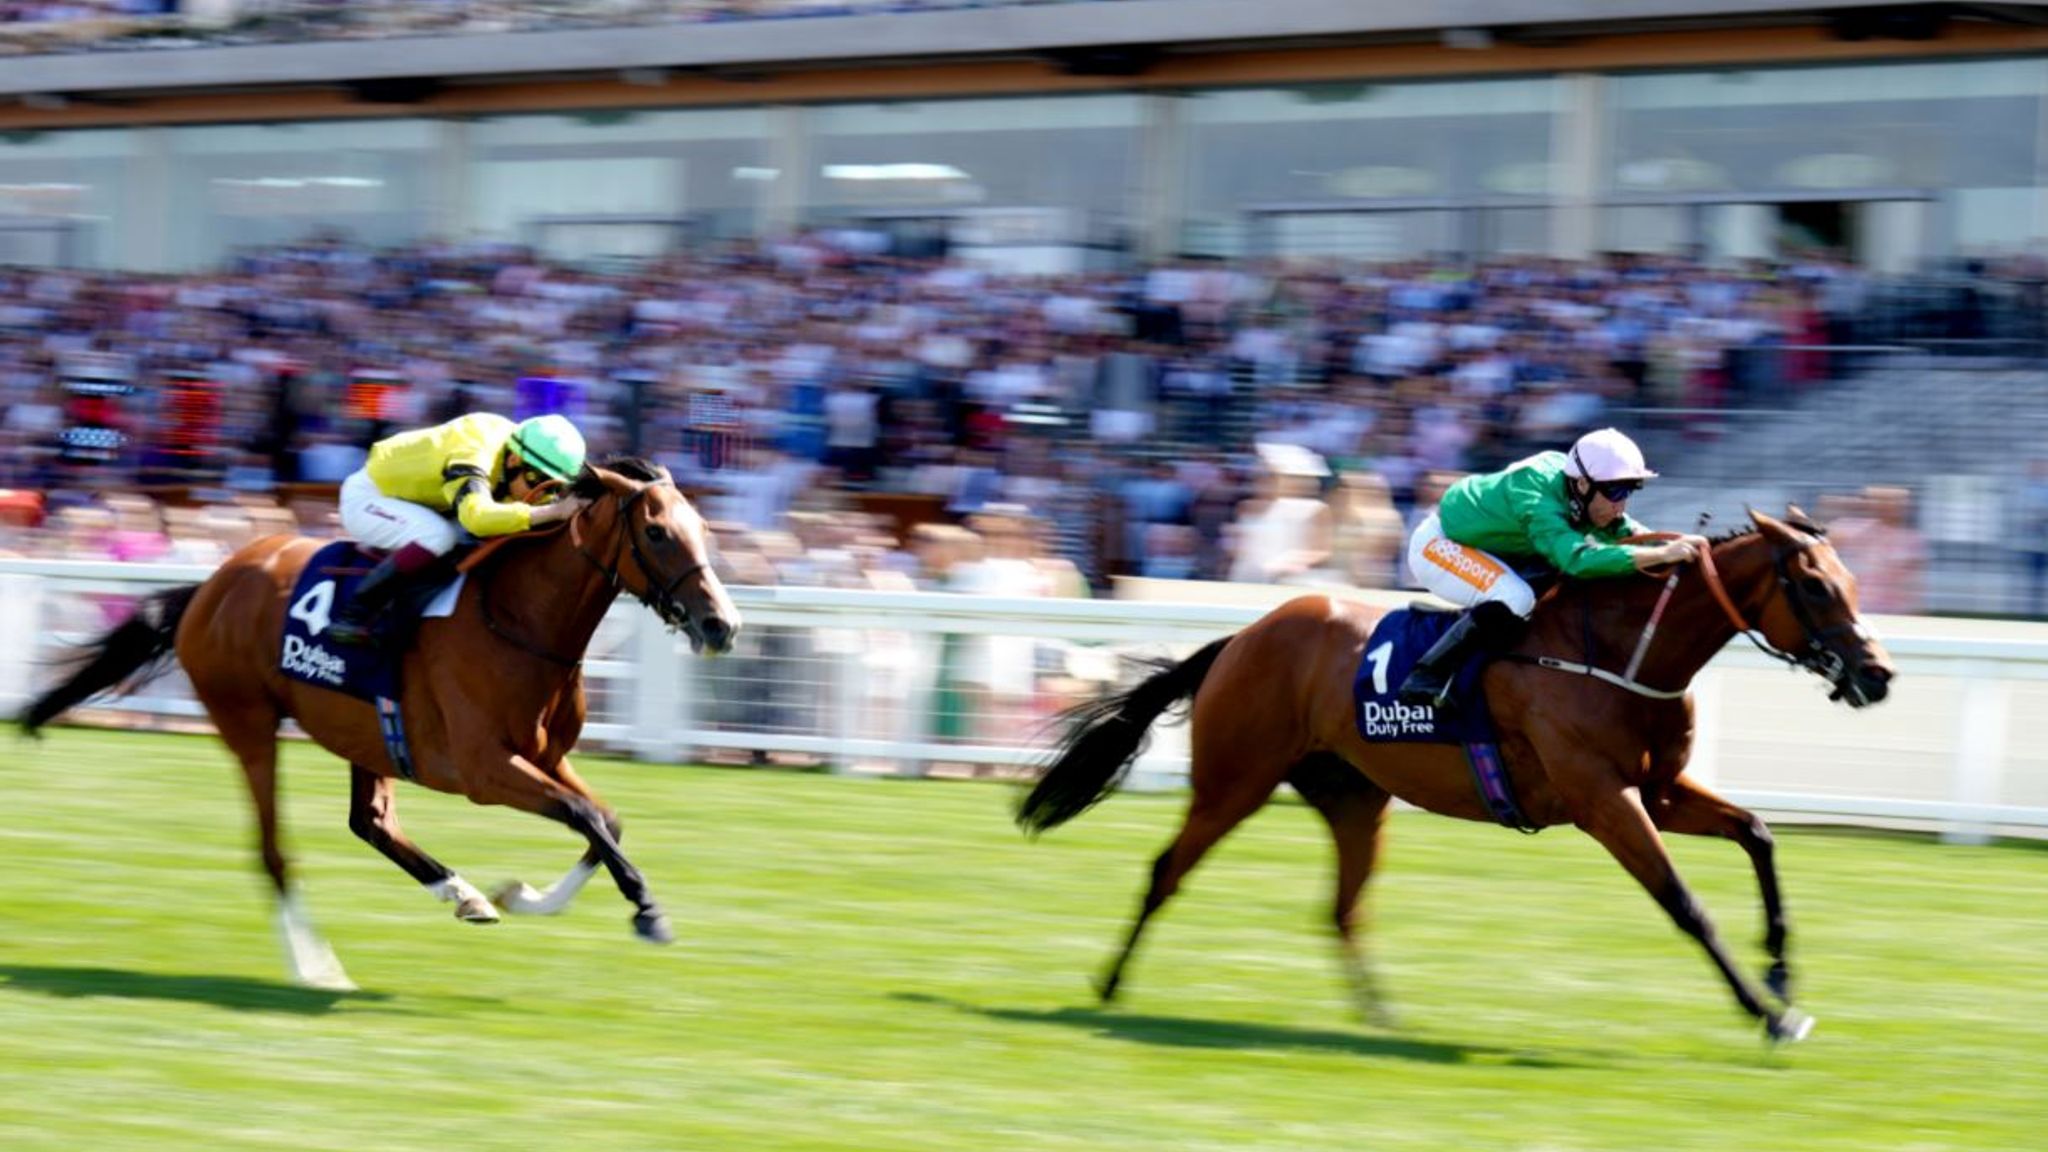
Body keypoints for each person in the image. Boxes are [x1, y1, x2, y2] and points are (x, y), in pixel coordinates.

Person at [1396, 427, 1703, 713]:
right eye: (1616, 493)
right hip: (1439, 545)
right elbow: (1577, 560)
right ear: (1583, 484)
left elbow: (1626, 532)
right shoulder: (1537, 495)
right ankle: (1427, 676)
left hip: (1491, 545)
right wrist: (1662, 552)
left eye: (1628, 492)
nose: (1621, 506)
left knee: (1546, 582)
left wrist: (1672, 545)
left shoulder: (1580, 486)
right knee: (1516, 598)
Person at [325, 412, 591, 646]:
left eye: (554, 487)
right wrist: (552, 511)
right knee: (438, 536)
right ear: (512, 461)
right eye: (538, 481)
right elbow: (476, 517)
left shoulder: (518, 457)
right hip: (370, 498)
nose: (542, 494)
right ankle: (356, 612)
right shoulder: (474, 451)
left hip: (427, 505)